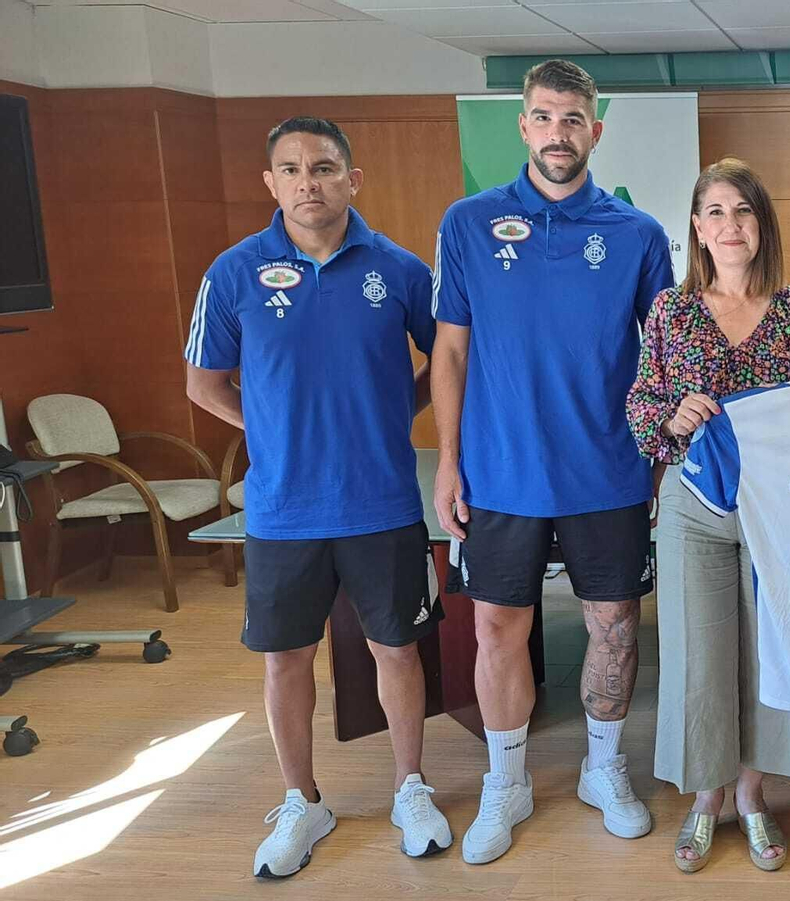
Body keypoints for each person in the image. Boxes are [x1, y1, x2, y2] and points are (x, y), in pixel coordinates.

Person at [184, 116, 449, 877]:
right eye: (293, 170)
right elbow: (202, 383)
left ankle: (410, 786)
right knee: (285, 660)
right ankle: (302, 799)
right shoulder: (231, 273)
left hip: (382, 502)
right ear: (271, 183)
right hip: (282, 509)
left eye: (326, 167)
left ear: (351, 179)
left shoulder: (398, 270)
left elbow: (450, 356)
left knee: (396, 649)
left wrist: (397, 408)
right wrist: (264, 426)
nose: (310, 182)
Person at [430, 59, 675, 865]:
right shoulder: (468, 222)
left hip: (607, 471)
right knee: (499, 627)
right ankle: (508, 780)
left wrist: (660, 462)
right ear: (523, 126)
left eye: (574, 118)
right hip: (500, 474)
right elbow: (453, 354)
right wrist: (448, 462)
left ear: (595, 130)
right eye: (544, 116)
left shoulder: (636, 234)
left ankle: (604, 769)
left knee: (613, 627)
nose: (558, 132)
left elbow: (662, 360)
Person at [625, 157, 790, 874]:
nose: (729, 224)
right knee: (698, 654)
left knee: (770, 651)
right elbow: (639, 405)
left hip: (780, 509)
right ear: (696, 227)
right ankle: (705, 796)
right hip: (693, 506)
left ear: (760, 223)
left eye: (742, 210)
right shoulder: (671, 312)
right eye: (715, 211)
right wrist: (673, 415)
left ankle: (752, 794)